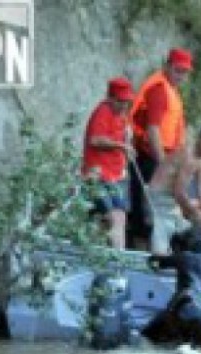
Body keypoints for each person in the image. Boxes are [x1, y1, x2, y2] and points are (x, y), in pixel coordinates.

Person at [128, 48, 194, 242]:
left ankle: (148, 237)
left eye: (185, 71)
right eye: (178, 70)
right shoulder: (159, 91)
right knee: (149, 201)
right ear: (167, 66)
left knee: (149, 200)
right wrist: (164, 163)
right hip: (151, 155)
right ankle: (142, 242)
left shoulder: (168, 88)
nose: (181, 75)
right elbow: (153, 129)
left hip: (156, 155)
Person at [147, 122, 201, 256]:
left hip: (171, 199)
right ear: (199, 139)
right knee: (172, 227)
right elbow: (179, 193)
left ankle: (186, 252)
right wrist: (195, 213)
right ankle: (160, 256)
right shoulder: (188, 156)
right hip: (158, 199)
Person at [82, 77, 136, 249]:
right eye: (120, 101)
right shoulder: (103, 111)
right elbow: (95, 140)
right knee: (112, 218)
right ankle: (116, 259)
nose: (123, 106)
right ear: (109, 98)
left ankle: (116, 258)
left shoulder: (122, 114)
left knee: (120, 218)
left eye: (127, 102)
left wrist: (128, 136)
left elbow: (125, 133)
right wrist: (121, 145)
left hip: (115, 176)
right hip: (98, 175)